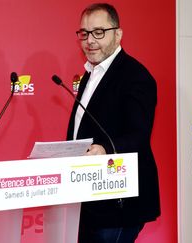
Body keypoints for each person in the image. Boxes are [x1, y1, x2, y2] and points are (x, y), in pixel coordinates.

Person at [66, 3, 161, 243]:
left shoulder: (135, 76)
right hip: (89, 197)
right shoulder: (91, 73)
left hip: (119, 203)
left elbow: (138, 135)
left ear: (118, 34)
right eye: (84, 33)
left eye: (99, 32)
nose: (90, 40)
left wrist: (105, 149)